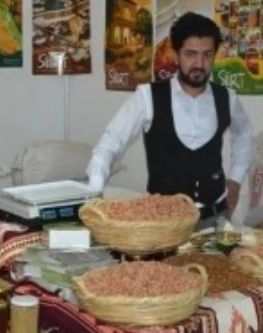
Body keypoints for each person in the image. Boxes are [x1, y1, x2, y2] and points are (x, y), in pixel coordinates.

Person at [87, 12, 253, 222]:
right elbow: (109, 144)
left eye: (207, 54)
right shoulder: (147, 97)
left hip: (215, 216)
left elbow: (244, 134)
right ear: (176, 54)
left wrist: (236, 179)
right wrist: (94, 196)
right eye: (190, 54)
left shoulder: (227, 97)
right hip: (161, 222)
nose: (199, 64)